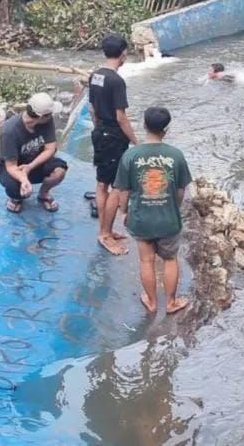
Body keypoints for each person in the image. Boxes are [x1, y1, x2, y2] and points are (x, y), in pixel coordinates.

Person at [113, 106, 192, 314]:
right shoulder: (176, 155)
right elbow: (181, 190)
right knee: (170, 259)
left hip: (141, 218)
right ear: (166, 130)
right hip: (168, 219)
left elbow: (123, 191)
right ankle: (171, 302)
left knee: (146, 260)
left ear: (144, 125)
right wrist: (173, 207)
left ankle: (151, 301)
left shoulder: (130, 156)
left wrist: (124, 212)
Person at [90, 33, 139, 254]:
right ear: (123, 55)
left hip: (100, 132)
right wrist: (135, 142)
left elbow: (92, 109)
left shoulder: (96, 75)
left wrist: (98, 128)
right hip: (114, 136)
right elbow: (121, 117)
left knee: (102, 184)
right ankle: (105, 234)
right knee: (118, 187)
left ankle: (105, 229)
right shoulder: (116, 81)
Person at [0, 93, 68, 213]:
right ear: (41, 116)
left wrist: (30, 167)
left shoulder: (46, 121)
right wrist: (24, 179)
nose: (52, 116)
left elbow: (50, 149)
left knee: (59, 171)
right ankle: (16, 198)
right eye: (50, 114)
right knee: (14, 188)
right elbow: (11, 166)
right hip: (13, 166)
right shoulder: (9, 131)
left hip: (35, 161)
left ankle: (43, 194)